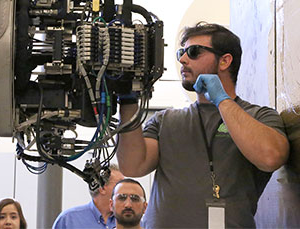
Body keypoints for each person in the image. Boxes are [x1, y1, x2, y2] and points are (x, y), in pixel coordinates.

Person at [117, 22, 290, 228]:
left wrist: (222, 100)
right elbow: (133, 166)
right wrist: (128, 102)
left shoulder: (259, 116)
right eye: (182, 52)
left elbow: (271, 157)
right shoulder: (165, 121)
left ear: (225, 61)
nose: (183, 59)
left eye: (193, 52)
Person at [52, 164, 125, 228]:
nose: (126, 189)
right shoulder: (68, 220)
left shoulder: (129, 219)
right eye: (120, 184)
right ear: (102, 188)